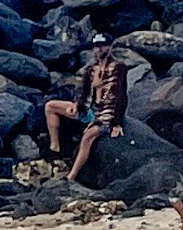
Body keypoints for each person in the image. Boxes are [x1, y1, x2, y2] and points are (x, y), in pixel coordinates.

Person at [44, 41, 127, 183]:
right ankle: (55, 149)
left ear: (109, 47)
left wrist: (116, 122)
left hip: (107, 112)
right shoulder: (91, 69)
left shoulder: (118, 68)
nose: (100, 48)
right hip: (88, 109)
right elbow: (84, 91)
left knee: (88, 136)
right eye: (97, 45)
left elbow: (121, 95)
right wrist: (76, 105)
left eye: (103, 45)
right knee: (51, 106)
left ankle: (71, 176)